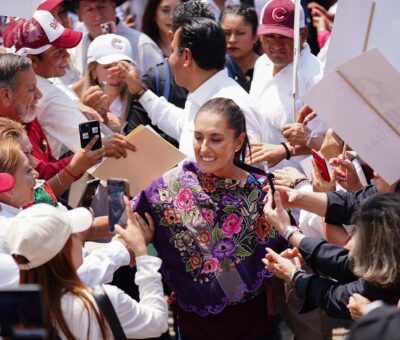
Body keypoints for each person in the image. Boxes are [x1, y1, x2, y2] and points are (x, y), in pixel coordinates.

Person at [131, 97, 286, 339]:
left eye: (215, 139)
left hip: (253, 325)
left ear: (239, 141)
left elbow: (286, 245)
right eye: (198, 137)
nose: (204, 148)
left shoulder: (262, 191)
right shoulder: (168, 185)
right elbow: (127, 222)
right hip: (195, 327)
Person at [6, 201, 168, 339]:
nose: (80, 237)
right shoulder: (99, 301)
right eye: (73, 235)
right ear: (64, 251)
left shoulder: (13, 311)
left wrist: (121, 247)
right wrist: (141, 253)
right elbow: (157, 322)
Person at [122, 15, 265, 159]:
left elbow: (251, 170)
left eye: (172, 51)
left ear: (186, 57)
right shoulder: (199, 95)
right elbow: (181, 125)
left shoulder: (236, 105)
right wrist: (140, 92)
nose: (168, 59)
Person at [4, 10, 135, 161]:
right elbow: (95, 147)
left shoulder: (37, 78)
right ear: (33, 61)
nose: (67, 55)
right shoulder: (48, 96)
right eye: (58, 52)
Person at [262, 190, 400, 318]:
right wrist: (290, 232)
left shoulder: (389, 277)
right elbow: (348, 263)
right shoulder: (390, 258)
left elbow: (341, 296)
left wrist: (293, 274)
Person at [249, 0, 326, 170]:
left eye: (285, 37)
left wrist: (284, 150)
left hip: (300, 184)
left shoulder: (316, 78)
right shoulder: (262, 63)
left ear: (303, 34)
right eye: (270, 36)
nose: (276, 45)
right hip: (259, 175)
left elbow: (328, 142)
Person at [72, 0, 164, 76]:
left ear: (114, 6)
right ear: (79, 15)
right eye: (89, 9)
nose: (98, 15)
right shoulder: (76, 50)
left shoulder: (141, 45)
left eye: (102, 7)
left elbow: (163, 86)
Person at [73, 33, 136, 133]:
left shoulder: (140, 103)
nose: (115, 74)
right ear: (93, 70)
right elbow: (85, 145)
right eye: (108, 67)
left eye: (122, 66)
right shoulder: (71, 101)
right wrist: (88, 117)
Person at [221, 5, 260, 92]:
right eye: (226, 33)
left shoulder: (267, 69)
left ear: (255, 36)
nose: (232, 40)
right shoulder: (214, 68)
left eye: (240, 33)